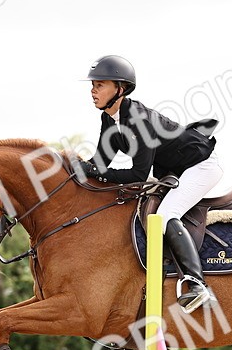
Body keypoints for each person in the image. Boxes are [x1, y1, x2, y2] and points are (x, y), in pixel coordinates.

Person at [79, 55, 220, 313]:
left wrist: (95, 172)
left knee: (166, 215)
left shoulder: (140, 120)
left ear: (119, 89)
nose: (92, 90)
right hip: (174, 170)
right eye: (93, 85)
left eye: (100, 85)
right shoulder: (109, 119)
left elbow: (138, 176)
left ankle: (197, 285)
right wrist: (71, 167)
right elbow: (100, 165)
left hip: (200, 166)